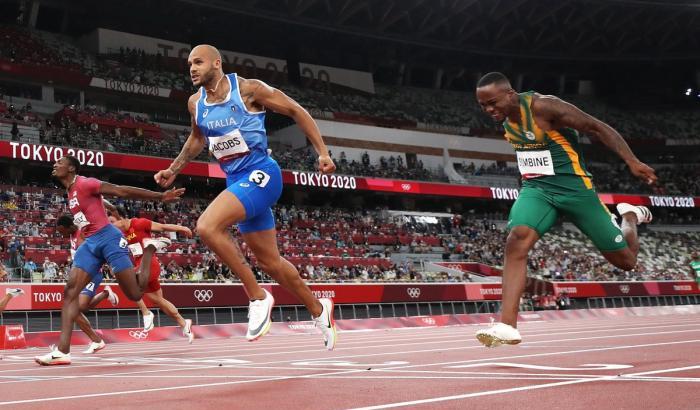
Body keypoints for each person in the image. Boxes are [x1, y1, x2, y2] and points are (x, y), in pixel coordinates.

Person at [154, 44, 337, 349]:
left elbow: (296, 110)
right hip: (238, 180)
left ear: (217, 62)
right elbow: (198, 138)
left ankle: (258, 296)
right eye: (189, 64)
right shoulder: (195, 103)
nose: (192, 68)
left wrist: (322, 152)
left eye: (198, 62)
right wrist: (174, 168)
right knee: (271, 263)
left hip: (263, 174)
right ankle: (320, 311)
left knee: (207, 227)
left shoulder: (249, 89)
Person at [474, 72, 657, 347]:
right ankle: (507, 325)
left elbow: (596, 127)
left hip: (575, 190)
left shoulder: (544, 107)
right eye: (483, 106)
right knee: (516, 239)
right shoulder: (506, 121)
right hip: (537, 190)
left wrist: (631, 161)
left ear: (510, 94)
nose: (489, 110)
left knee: (626, 262)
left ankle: (630, 215)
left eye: (493, 103)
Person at [35, 156, 182, 365]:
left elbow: (120, 190)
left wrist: (161, 196)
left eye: (59, 162)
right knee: (70, 292)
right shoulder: (70, 192)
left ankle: (149, 249)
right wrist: (109, 208)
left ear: (71, 168)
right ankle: (62, 351)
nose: (54, 164)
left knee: (135, 293)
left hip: (109, 239)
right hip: (91, 244)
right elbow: (97, 205)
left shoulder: (85, 182)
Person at [109, 206, 195, 343]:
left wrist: (181, 228)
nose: (111, 226)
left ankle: (146, 312)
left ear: (121, 217)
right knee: (160, 301)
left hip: (149, 265)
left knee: (130, 284)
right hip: (139, 267)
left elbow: (162, 226)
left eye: (112, 222)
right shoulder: (120, 234)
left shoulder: (139, 223)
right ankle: (184, 324)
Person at [55, 214, 120, 354]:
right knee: (76, 309)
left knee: (80, 307)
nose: (61, 235)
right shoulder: (72, 235)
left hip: (92, 273)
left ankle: (96, 340)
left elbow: (99, 249)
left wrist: (112, 265)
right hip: (80, 273)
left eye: (62, 231)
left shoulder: (82, 233)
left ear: (70, 226)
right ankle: (97, 340)